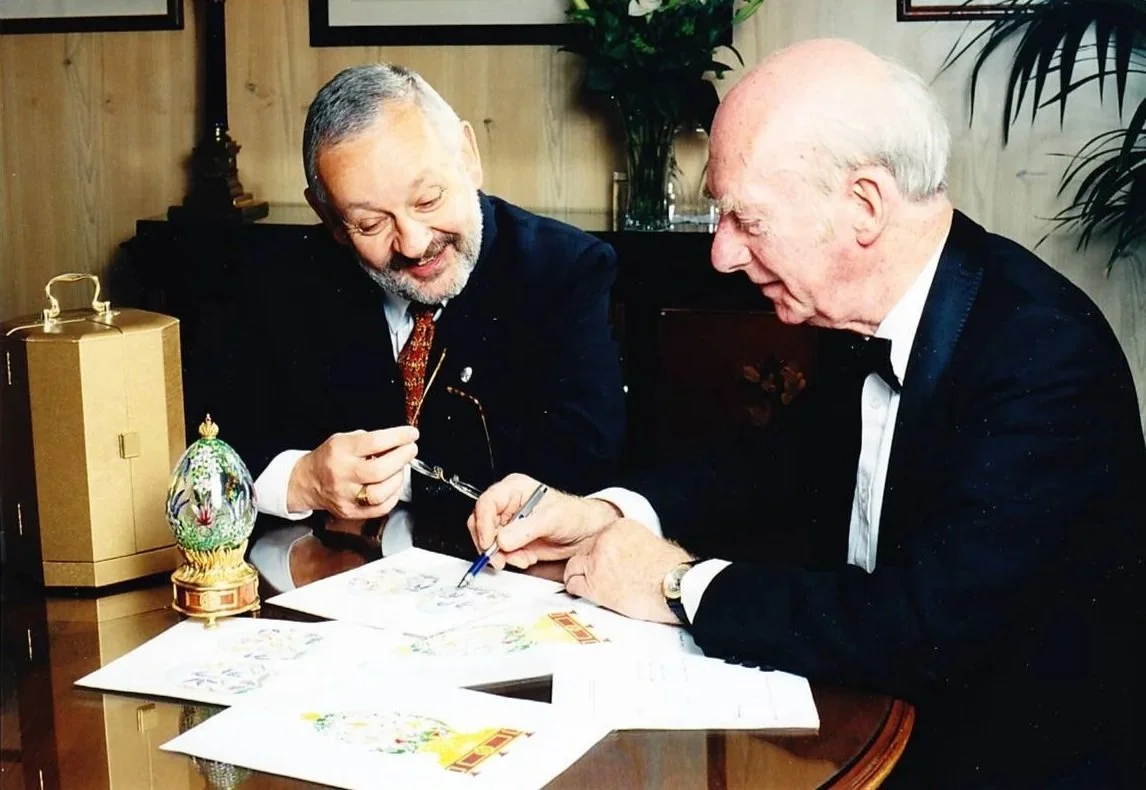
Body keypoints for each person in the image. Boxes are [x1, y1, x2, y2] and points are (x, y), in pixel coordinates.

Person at [468, 39, 1145, 788]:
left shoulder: (1042, 355)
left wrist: (674, 583)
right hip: (876, 708)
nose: (722, 254)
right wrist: (605, 511)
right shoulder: (868, 311)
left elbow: (922, 629)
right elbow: (772, 463)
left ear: (863, 206)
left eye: (745, 220)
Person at [218, 63, 625, 592]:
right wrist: (299, 481)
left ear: (468, 155)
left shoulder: (565, 269)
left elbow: (583, 467)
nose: (411, 243)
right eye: (369, 223)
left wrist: (404, 482)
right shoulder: (276, 283)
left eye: (428, 200)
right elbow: (210, 440)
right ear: (327, 216)